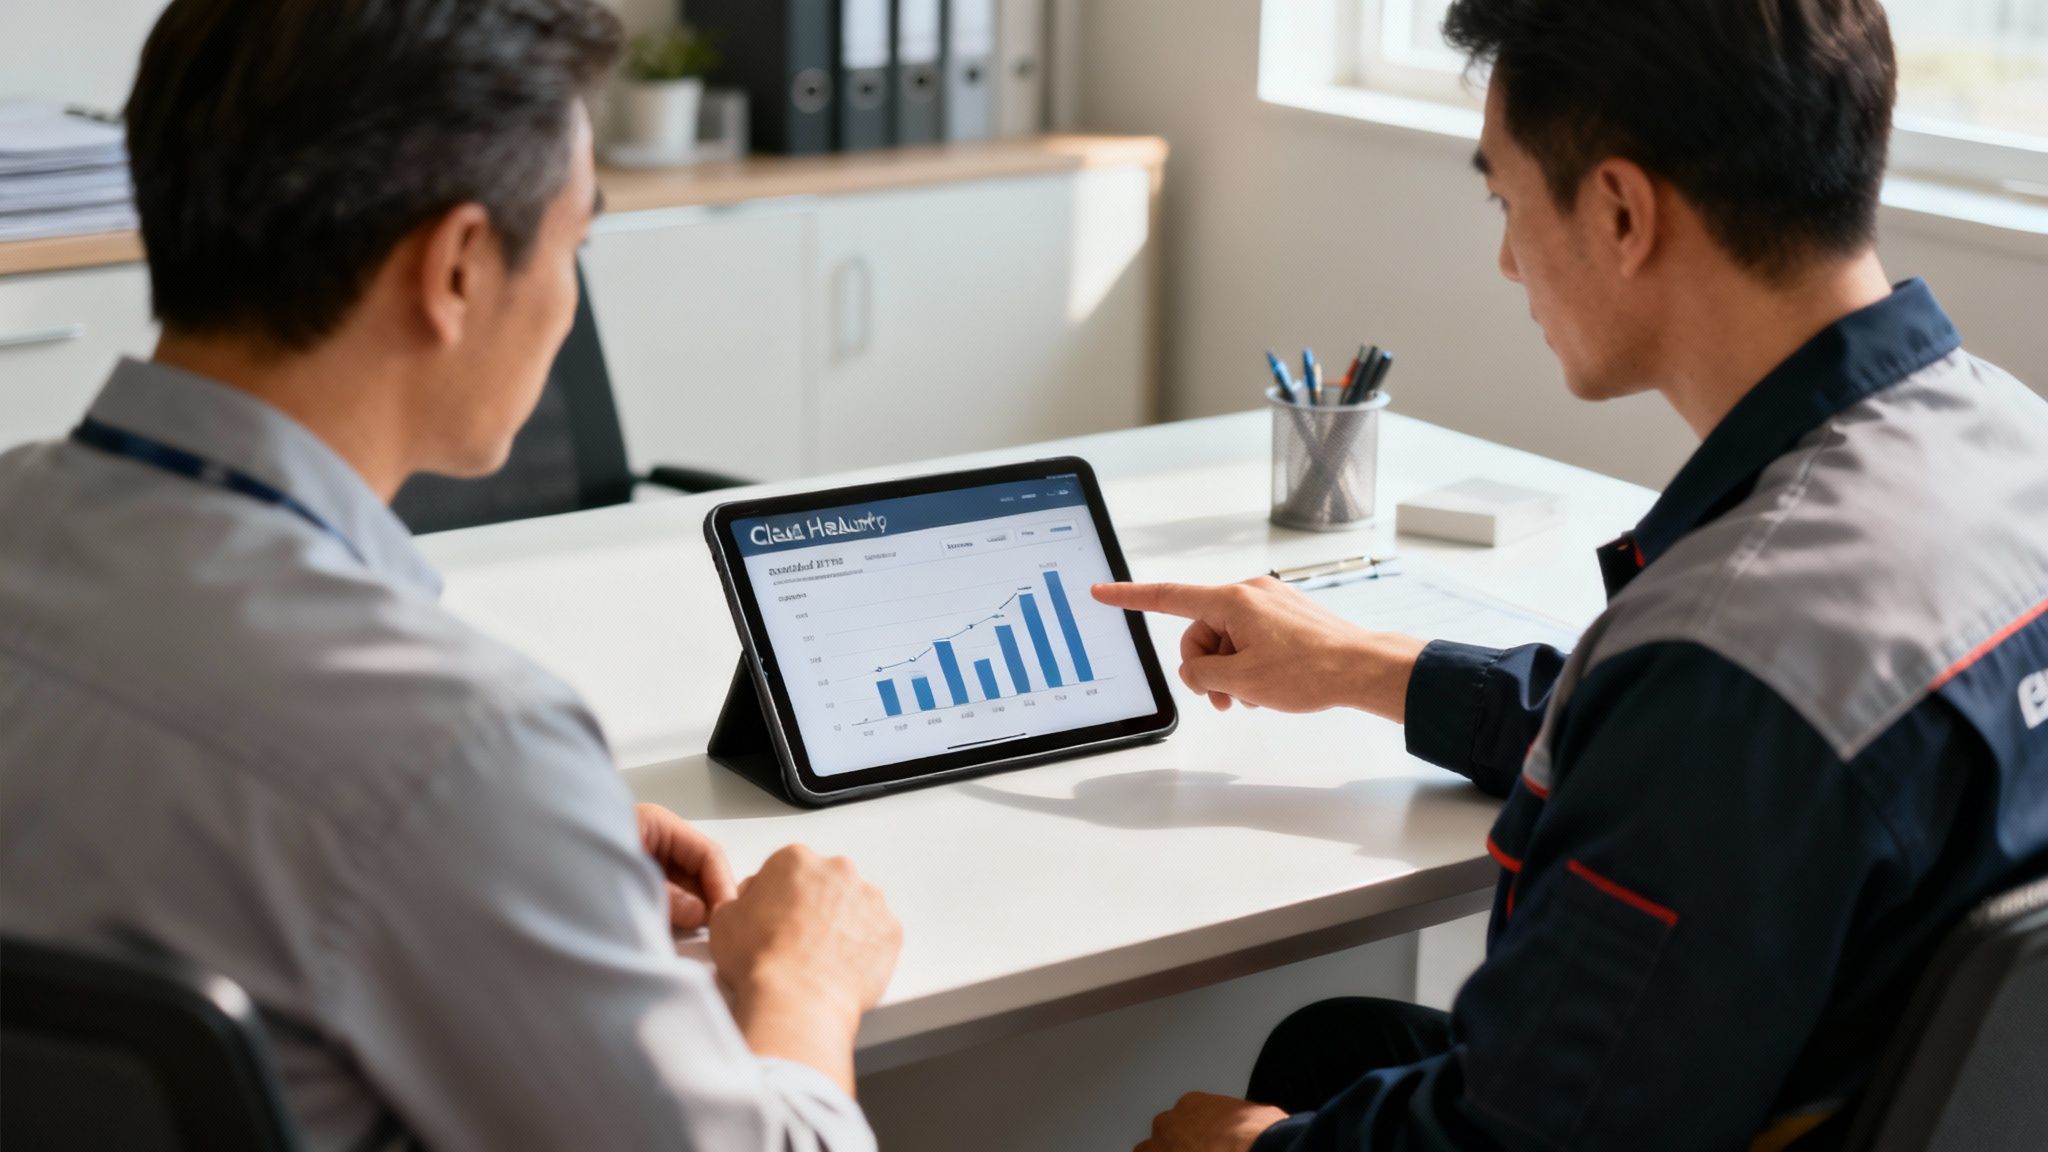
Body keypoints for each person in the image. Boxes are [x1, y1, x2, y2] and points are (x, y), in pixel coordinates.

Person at [1099, 2, 2048, 1150]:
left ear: (1616, 211)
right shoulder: (2003, 437)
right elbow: (1756, 785)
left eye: (1505, 201)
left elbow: (1518, 1143)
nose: (1505, 259)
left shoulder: (1725, 661)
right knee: (1334, 1045)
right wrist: (1366, 668)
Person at [0, 2, 899, 1150]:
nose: (570, 293)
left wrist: (512, 853)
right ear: (459, 267)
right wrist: (803, 981)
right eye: (577, 242)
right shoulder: (456, 744)